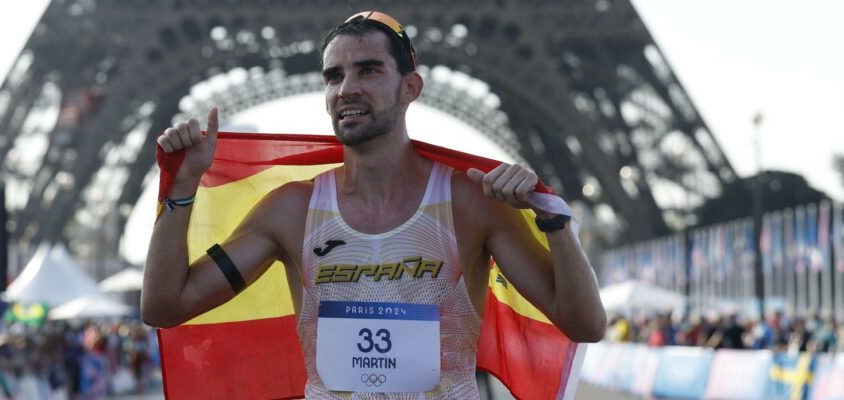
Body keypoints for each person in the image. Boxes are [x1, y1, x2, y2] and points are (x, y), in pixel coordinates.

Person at [141, 10, 605, 397]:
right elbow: (164, 307)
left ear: (411, 86)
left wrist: (554, 221)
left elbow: (584, 324)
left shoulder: (471, 203)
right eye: (333, 76)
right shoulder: (291, 210)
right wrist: (181, 188)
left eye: (368, 69)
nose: (347, 89)